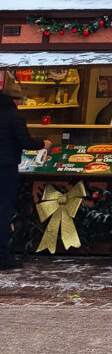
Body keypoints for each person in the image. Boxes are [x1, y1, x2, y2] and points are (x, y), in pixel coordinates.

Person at [0, 77, 51, 269]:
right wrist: (43, 144)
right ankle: (2, 257)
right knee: (3, 211)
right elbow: (25, 142)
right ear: (15, 100)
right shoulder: (14, 116)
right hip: (6, 168)